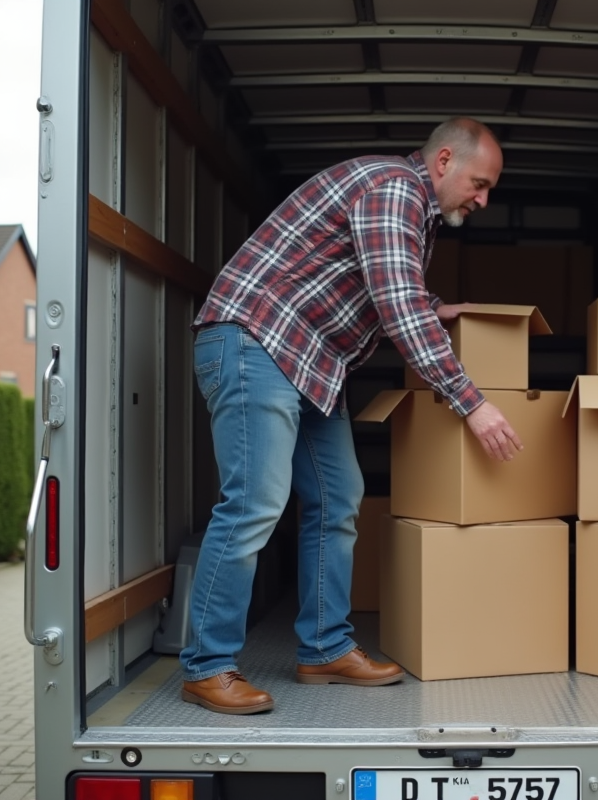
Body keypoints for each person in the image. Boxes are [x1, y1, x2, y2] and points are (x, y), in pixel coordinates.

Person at [180, 117, 524, 715]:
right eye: (480, 183)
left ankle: (324, 648)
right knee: (254, 504)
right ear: (445, 160)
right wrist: (473, 403)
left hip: (309, 359)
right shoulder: (394, 187)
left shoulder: (412, 209)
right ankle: (207, 666)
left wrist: (435, 306)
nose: (483, 200)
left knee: (338, 498)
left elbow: (384, 279)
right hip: (257, 342)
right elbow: (396, 303)